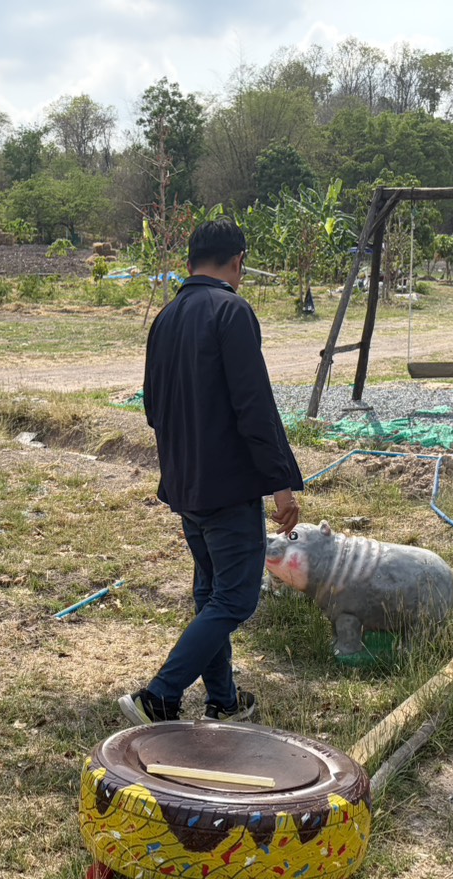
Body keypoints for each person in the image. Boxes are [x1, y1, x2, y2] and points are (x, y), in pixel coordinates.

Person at [119, 218, 304, 725]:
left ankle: (224, 699)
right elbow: (255, 407)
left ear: (189, 261)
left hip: (186, 485)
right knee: (236, 598)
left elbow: (153, 407)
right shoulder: (231, 311)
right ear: (239, 260)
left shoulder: (166, 317)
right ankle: (160, 695)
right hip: (227, 487)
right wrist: (281, 485)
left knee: (211, 593)